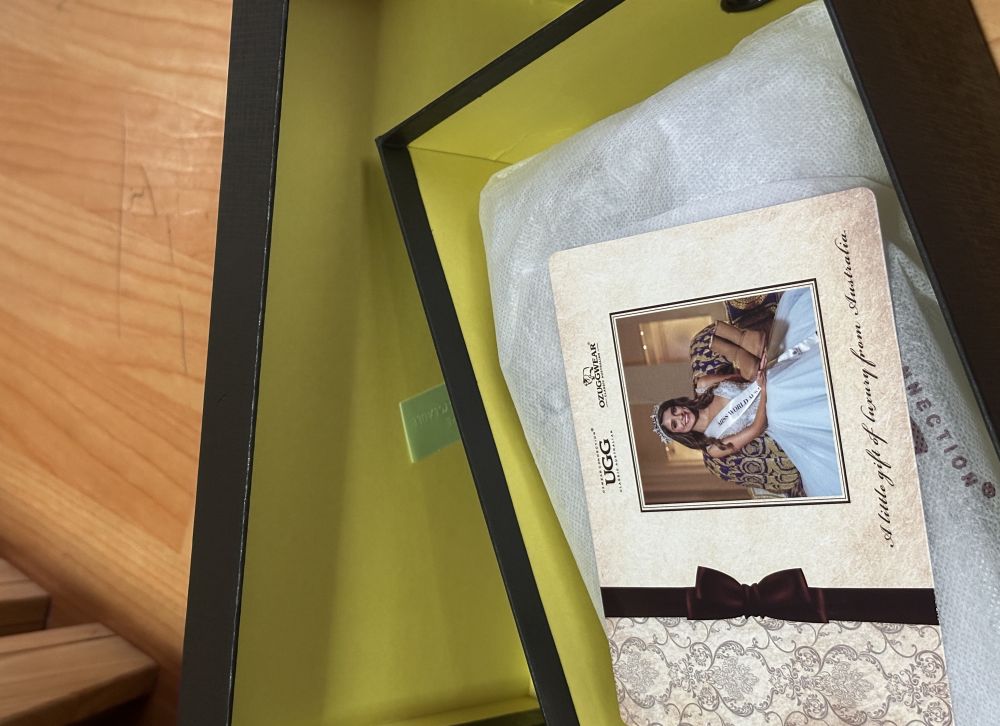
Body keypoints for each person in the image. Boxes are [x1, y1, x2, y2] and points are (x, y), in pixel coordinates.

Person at [652, 287, 842, 497]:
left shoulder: (703, 385)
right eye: (674, 424)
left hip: (764, 379)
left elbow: (741, 379)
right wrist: (764, 391)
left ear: (679, 403)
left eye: (674, 411)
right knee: (777, 395)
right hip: (771, 415)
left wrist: (757, 372)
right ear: (679, 434)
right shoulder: (713, 448)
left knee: (777, 372)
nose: (680, 417)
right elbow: (756, 429)